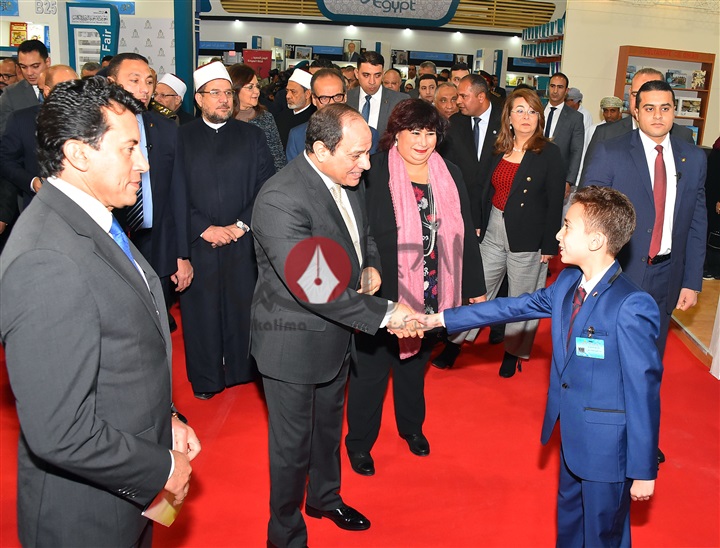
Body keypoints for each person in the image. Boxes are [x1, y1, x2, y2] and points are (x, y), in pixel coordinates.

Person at [0, 76, 200, 546]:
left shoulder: (90, 217)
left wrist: (166, 418)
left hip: (123, 488)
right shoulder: (46, 259)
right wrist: (161, 467)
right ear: (79, 154)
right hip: (87, 516)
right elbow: (60, 431)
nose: (143, 163)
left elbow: (123, 350)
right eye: (129, 148)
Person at [412, 186, 662, 548]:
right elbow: (511, 307)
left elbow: (644, 392)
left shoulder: (632, 305)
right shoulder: (567, 282)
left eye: (567, 226)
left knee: (603, 536)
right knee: (569, 527)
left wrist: (643, 469)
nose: (558, 234)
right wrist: (441, 319)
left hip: (608, 452)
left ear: (595, 241)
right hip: (571, 437)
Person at [251, 103, 420, 548]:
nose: (366, 165)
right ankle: (285, 534)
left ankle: (325, 499)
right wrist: (386, 313)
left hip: (338, 335)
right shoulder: (280, 197)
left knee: (327, 431)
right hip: (292, 343)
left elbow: (362, 234)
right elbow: (314, 283)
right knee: (291, 448)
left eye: (368, 153)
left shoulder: (348, 178)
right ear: (322, 150)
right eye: (356, 155)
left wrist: (371, 265)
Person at [345, 98, 485, 475]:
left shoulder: (450, 173)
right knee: (371, 373)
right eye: (414, 132)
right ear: (397, 133)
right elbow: (360, 232)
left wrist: (475, 285)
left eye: (430, 133)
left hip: (434, 289)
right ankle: (359, 443)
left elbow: (465, 234)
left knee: (414, 366)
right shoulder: (374, 172)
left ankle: (411, 427)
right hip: (384, 290)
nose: (423, 142)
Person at [582, 78, 707, 361]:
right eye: (649, 108)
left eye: (665, 108)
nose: (658, 115)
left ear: (674, 111)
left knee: (649, 357)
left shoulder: (693, 158)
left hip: (667, 275)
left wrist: (691, 281)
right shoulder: (610, 151)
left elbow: (697, 223)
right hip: (617, 272)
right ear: (636, 112)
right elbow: (588, 214)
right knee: (605, 353)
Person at [178, 61, 275, 399]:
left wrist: (239, 225)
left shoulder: (252, 136)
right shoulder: (180, 137)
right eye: (215, 93)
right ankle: (206, 379)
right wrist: (203, 228)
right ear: (199, 99)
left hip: (242, 241)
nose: (224, 99)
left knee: (242, 307)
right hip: (198, 242)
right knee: (200, 314)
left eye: (228, 93)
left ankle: (241, 371)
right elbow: (172, 192)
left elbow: (266, 187)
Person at [479, 88, 566, 377]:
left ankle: (513, 351)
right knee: (478, 288)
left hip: (529, 235)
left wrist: (549, 245)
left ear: (539, 117)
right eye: (519, 110)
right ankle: (456, 341)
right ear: (509, 117)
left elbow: (555, 202)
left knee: (522, 298)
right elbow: (484, 189)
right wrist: (478, 221)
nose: (526, 116)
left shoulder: (550, 153)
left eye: (532, 111)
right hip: (493, 228)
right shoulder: (498, 147)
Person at [107, 53, 192, 330]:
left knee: (158, 324)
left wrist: (181, 254)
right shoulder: (93, 128)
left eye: (148, 81)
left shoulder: (166, 128)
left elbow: (178, 193)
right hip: (111, 238)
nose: (144, 89)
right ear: (111, 83)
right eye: (134, 81)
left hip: (158, 241)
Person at [582, 67, 695, 178]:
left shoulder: (683, 136)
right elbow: (589, 185)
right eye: (636, 94)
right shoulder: (606, 134)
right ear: (629, 93)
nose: (642, 100)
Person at [1, 64, 77, 207]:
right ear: (47, 91)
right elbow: (6, 161)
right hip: (39, 206)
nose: (73, 93)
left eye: (76, 87)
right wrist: (32, 181)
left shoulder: (94, 119)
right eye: (66, 88)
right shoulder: (21, 120)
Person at [229, 63, 287, 172]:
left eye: (257, 86)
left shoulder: (266, 118)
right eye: (250, 87)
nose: (257, 92)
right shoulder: (223, 120)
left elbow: (278, 159)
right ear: (235, 89)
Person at [543, 72, 584, 202]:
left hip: (558, 177)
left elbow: (577, 151)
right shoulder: (536, 111)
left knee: (553, 212)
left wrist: (569, 181)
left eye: (560, 87)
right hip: (532, 172)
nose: (555, 91)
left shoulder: (575, 117)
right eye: (552, 86)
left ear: (566, 91)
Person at [347, 51, 408, 137]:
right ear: (357, 74)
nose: (372, 81)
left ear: (383, 74)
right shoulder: (346, 98)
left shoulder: (400, 101)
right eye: (366, 75)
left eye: (377, 75)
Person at [0, 40, 50, 134]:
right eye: (24, 67)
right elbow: (4, 134)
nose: (29, 73)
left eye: (35, 66)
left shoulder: (61, 89)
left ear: (47, 62)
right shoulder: (11, 94)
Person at [274, 68, 316, 148]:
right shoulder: (281, 117)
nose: (288, 96)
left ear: (307, 94)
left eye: (293, 92)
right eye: (287, 91)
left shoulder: (315, 119)